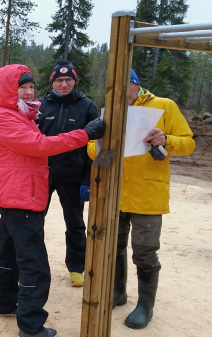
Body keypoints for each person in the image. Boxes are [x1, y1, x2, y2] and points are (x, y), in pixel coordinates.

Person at [0, 64, 105, 337]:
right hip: (21, 198)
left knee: (7, 253)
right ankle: (30, 326)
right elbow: (41, 145)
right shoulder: (6, 118)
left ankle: (4, 302)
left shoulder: (20, 115)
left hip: (15, 195)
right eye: (22, 87)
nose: (29, 92)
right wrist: (86, 134)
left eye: (31, 87)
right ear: (9, 90)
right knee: (34, 264)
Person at [97, 69, 195, 329]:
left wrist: (166, 139)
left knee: (145, 251)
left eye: (124, 86)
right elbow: (92, 149)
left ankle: (145, 306)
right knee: (114, 246)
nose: (120, 93)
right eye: (114, 87)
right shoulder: (110, 110)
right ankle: (118, 292)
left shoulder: (164, 106)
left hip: (148, 195)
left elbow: (188, 143)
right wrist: (95, 140)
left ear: (135, 84)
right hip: (115, 193)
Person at [37, 59, 99, 287]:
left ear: (74, 81)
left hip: (73, 175)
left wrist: (87, 178)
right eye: (59, 80)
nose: (64, 84)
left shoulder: (86, 106)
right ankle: (35, 263)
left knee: (75, 223)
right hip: (44, 173)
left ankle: (76, 267)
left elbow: (95, 146)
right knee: (35, 220)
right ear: (52, 81)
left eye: (68, 80)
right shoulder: (41, 105)